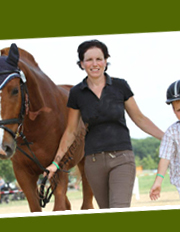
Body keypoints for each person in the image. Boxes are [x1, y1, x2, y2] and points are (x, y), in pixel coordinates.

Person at [51, 39, 165, 209]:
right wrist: (55, 163)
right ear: (82, 64)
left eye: (99, 59)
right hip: (94, 163)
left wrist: (166, 137)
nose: (94, 64)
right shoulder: (76, 93)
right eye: (89, 60)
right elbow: (71, 132)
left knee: (119, 208)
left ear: (105, 61)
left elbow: (139, 119)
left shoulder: (120, 86)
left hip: (122, 159)